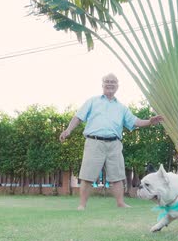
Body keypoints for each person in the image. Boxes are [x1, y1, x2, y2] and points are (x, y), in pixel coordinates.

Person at [59, 73, 164, 210]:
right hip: (94, 142)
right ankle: (82, 205)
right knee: (87, 175)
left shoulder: (121, 107)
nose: (110, 84)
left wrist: (149, 121)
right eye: (107, 81)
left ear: (117, 86)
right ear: (102, 84)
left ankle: (120, 203)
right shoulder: (92, 101)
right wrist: (68, 130)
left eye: (113, 82)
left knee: (117, 176)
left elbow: (135, 121)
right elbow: (78, 117)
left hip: (114, 144)